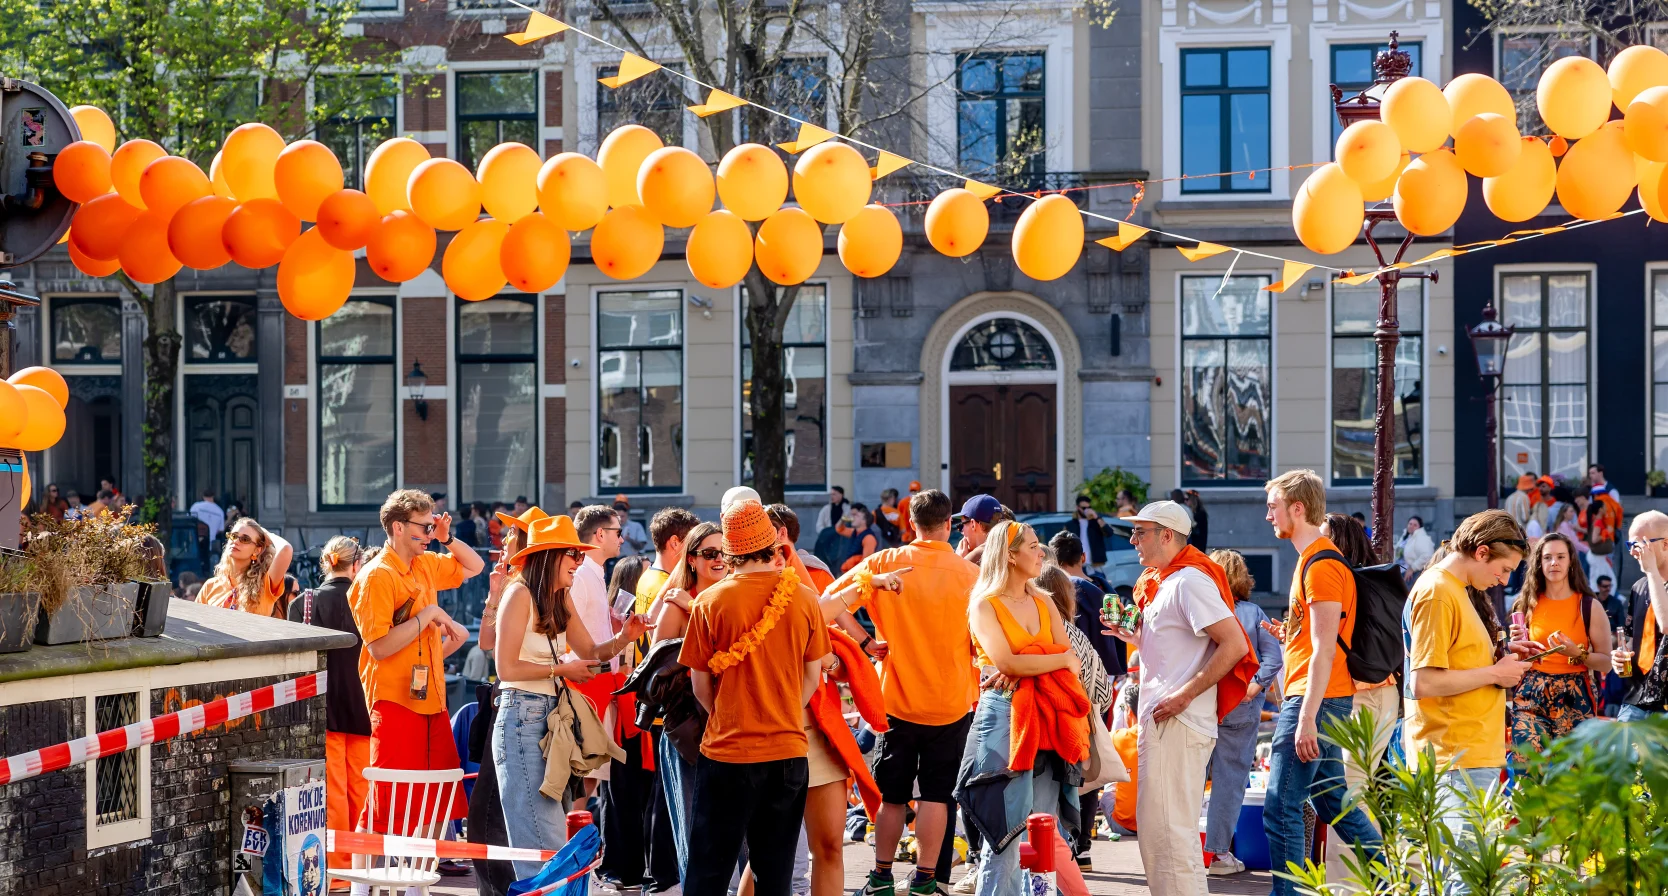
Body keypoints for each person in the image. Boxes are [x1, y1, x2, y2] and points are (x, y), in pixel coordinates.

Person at [822, 489, 979, 896]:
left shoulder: (885, 563)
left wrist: (863, 641)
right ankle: (927, 880)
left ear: (912, 523)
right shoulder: (970, 575)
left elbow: (828, 603)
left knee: (892, 798)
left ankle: (880, 877)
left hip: (895, 701)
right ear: (949, 525)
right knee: (937, 797)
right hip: (952, 702)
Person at [1100, 500, 1253, 896]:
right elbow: (1177, 648)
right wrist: (1131, 636)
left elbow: (1235, 645)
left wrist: (1185, 695)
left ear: (1166, 535)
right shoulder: (1167, 579)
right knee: (1159, 833)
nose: (1132, 540)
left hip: (1178, 720)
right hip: (1167, 718)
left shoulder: (1188, 581)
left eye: (1140, 531)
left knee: (1171, 834)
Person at [678, 501, 831, 896]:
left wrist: (730, 712)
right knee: (775, 875)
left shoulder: (711, 602)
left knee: (709, 872)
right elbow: (813, 675)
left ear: (729, 551)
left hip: (728, 750)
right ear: (774, 545)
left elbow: (699, 683)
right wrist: (780, 707)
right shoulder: (805, 599)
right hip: (787, 749)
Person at [490, 515, 650, 878]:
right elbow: (506, 670)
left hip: (549, 718)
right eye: (574, 555)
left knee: (547, 832)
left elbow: (591, 649)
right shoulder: (518, 593)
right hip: (522, 718)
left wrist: (626, 636)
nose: (580, 562)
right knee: (539, 834)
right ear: (550, 556)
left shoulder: (558, 595)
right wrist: (561, 671)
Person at [1259, 474, 1382, 891]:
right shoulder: (1314, 560)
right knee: (1331, 800)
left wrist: (1306, 716)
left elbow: (1325, 650)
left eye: (1274, 505)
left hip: (1315, 701)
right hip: (1323, 698)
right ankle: (1390, 877)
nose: (1268, 514)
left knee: (1281, 808)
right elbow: (1317, 640)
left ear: (1297, 507)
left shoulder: (1322, 564)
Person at [958, 520, 1090, 896]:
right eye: (1033, 546)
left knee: (1045, 828)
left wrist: (1030, 661)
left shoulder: (1044, 601)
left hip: (1048, 721)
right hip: (1004, 723)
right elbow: (1010, 663)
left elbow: (1070, 660)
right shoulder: (985, 605)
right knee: (1004, 834)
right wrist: (1050, 660)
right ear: (1010, 555)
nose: (1042, 553)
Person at [348, 490, 483, 838]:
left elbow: (475, 566)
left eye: (433, 525)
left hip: (431, 701)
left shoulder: (424, 563)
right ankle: (364, 889)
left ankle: (412, 885)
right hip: (394, 702)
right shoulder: (377, 575)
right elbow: (378, 648)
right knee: (387, 802)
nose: (429, 533)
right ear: (397, 527)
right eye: (424, 526)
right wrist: (429, 615)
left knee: (437, 798)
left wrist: (447, 537)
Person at [1405, 510, 1539, 843]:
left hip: (1467, 755)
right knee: (1461, 880)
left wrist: (1504, 661)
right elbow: (1423, 682)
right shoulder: (1439, 591)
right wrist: (1496, 671)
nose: (1505, 581)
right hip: (1456, 759)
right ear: (1481, 552)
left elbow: (1459, 664)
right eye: (1504, 569)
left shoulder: (1453, 589)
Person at [286, 536, 373, 882]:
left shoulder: (303, 604)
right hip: (365, 706)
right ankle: (363, 869)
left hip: (322, 708)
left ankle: (336, 872)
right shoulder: (370, 600)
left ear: (325, 564)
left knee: (332, 794)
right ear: (357, 566)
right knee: (364, 793)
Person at [644, 520, 725, 881]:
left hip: (735, 726)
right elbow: (656, 669)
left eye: (726, 553)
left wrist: (696, 608)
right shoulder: (673, 605)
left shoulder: (729, 598)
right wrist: (690, 608)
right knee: (696, 832)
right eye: (710, 553)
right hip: (690, 730)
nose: (720, 559)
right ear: (691, 559)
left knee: (735, 833)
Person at [1201, 549, 1282, 877]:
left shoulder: (1201, 613)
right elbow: (1273, 658)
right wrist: (1254, 686)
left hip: (1201, 702)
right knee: (1229, 780)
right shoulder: (1252, 613)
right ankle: (1219, 855)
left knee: (1191, 779)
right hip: (1241, 706)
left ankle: (1189, 851)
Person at [1033, 564, 1114, 871]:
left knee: (1035, 815)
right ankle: (1068, 864)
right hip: (1070, 738)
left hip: (1034, 734)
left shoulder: (1029, 629)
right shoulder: (1077, 637)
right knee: (1064, 809)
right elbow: (1104, 695)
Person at [1507, 533, 1613, 758]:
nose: (1554, 562)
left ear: (1571, 561)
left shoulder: (1589, 606)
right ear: (1539, 563)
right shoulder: (1526, 604)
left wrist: (1578, 654)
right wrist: (1515, 647)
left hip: (1575, 691)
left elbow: (1606, 663)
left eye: (1560, 556)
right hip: (1531, 690)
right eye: (1547, 557)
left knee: (1573, 773)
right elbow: (1520, 659)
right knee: (1527, 767)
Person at [1611, 511, 1668, 721]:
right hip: (1635, 699)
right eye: (1630, 545)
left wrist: (1652, 571)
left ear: (1665, 544)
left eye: (1641, 544)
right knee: (1619, 755)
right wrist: (1618, 659)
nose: (1634, 552)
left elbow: (1666, 624)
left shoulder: (1649, 577)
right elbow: (1629, 639)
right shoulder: (1638, 587)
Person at [195, 517, 294, 617]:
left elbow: (286, 549)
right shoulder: (210, 586)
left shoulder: (265, 584)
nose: (236, 541)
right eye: (233, 536)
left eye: (245, 539)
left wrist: (266, 534)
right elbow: (196, 621)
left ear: (257, 550)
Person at [954, 495, 1005, 564]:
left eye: (962, 525)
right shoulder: (1011, 550)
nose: (962, 532)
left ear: (973, 524)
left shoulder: (971, 560)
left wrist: (959, 561)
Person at [1073, 494, 1116, 570]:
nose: (1086, 510)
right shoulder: (1071, 524)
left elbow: (1109, 533)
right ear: (1077, 508)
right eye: (1084, 508)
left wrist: (1096, 517)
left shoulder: (1095, 522)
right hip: (1077, 565)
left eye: (1089, 507)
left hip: (1095, 565)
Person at [188, 489, 226, 575]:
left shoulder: (196, 506)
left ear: (203, 496)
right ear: (213, 496)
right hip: (209, 544)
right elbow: (220, 530)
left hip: (194, 543)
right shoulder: (219, 511)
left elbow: (190, 522)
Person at [839, 505, 880, 572]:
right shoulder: (854, 532)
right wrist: (843, 518)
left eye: (857, 516)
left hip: (859, 576)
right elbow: (839, 529)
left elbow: (866, 563)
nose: (853, 517)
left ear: (864, 520)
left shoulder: (869, 538)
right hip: (851, 572)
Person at [1397, 515, 1435, 585]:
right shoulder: (1406, 536)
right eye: (1410, 524)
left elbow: (1427, 556)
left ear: (1419, 527)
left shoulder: (1422, 538)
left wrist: (1412, 568)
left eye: (1415, 525)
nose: (1411, 526)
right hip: (1400, 571)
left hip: (1412, 574)